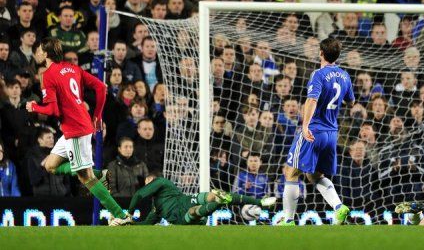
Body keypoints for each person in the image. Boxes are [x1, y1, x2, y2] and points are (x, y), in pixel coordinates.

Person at [25, 37, 132, 225]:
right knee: (50, 165)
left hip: (75, 128)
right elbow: (101, 86)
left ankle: (121, 216)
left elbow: (52, 110)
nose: (38, 52)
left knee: (86, 178)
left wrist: (34, 107)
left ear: (47, 53)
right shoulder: (72, 68)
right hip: (75, 125)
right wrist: (97, 115)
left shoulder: (48, 75)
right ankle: (98, 173)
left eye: (40, 49)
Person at [281, 38, 354, 226]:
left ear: (321, 52)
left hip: (314, 131)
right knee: (315, 176)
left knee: (291, 172)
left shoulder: (318, 74)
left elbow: (312, 100)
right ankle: (339, 207)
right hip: (331, 133)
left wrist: (305, 126)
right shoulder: (345, 76)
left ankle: (288, 221)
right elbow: (350, 101)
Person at [123, 171, 276, 225]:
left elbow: (138, 194)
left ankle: (259, 202)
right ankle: (218, 203)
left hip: (184, 200)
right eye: (146, 184)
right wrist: (129, 224)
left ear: (155, 180)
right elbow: (147, 224)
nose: (148, 186)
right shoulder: (156, 208)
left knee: (210, 195)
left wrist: (128, 213)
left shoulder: (162, 182)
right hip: (181, 216)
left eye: (149, 182)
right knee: (193, 211)